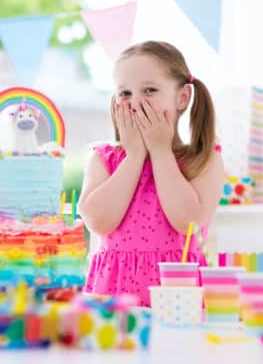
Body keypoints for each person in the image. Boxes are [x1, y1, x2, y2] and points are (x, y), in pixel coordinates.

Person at [78, 41, 224, 306]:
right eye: (125, 93)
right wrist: (134, 157)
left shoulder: (204, 159)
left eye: (149, 90)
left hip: (178, 298)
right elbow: (98, 221)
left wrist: (160, 152)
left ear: (182, 97)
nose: (135, 103)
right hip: (113, 299)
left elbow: (189, 222)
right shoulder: (103, 159)